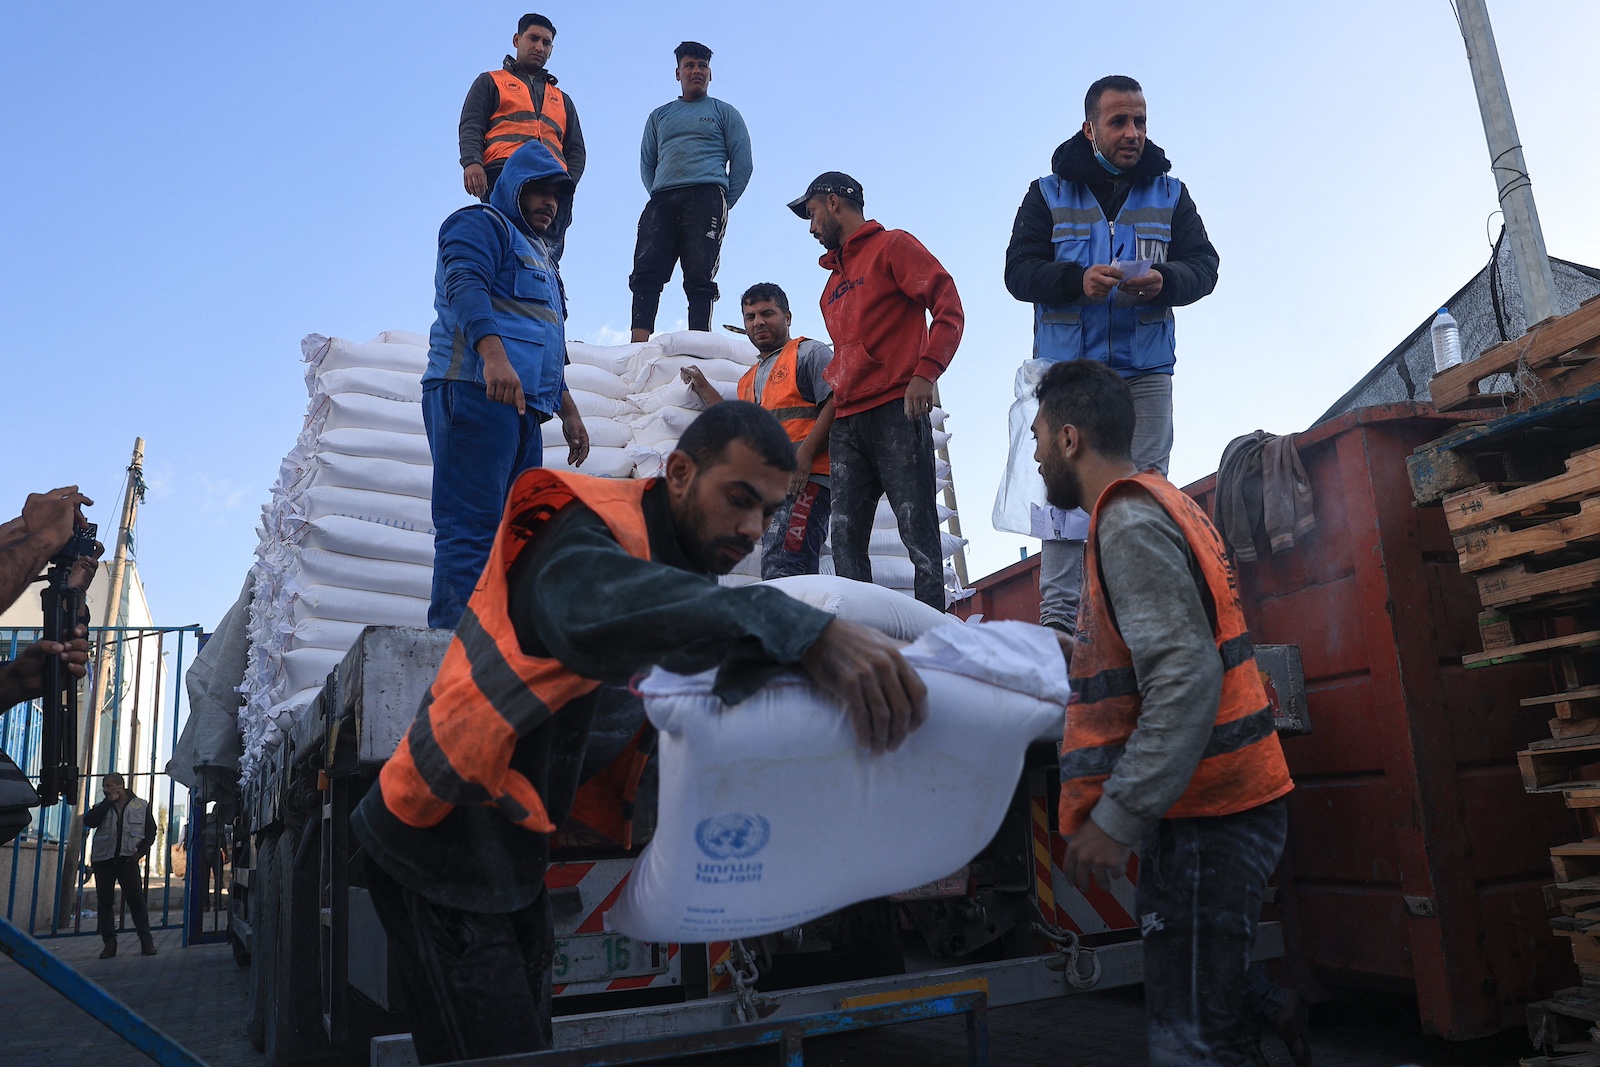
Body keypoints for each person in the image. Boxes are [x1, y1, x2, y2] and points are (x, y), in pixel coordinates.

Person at [352, 401, 927, 1063]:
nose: (752, 529)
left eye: (768, 512)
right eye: (738, 499)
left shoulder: (684, 571)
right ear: (679, 471)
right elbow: (589, 608)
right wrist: (796, 623)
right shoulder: (580, 522)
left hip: (509, 840)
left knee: (525, 1043)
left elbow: (703, 671)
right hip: (437, 832)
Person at [1033, 359, 1292, 1066]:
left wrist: (1118, 816)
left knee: (1194, 1042)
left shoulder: (1126, 522)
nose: (1031, 453)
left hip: (1213, 811)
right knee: (1211, 1007)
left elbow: (1183, 674)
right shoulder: (1160, 501)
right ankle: (1269, 1014)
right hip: (1217, 803)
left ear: (1068, 438)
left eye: (1035, 437)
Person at [1004, 74, 1219, 635]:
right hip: (1070, 377)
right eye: (1120, 121)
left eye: (1141, 121)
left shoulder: (1171, 194)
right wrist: (1077, 279)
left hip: (1145, 372)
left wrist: (1166, 279)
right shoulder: (1046, 193)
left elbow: (1205, 268)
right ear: (1090, 128)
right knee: (1063, 500)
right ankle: (1059, 633)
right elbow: (1018, 273)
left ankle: (1140, 619)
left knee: (1144, 491)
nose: (1133, 133)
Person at [423, 139, 590, 630]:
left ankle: (498, 646)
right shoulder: (479, 224)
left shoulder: (543, 258)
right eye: (540, 191)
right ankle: (455, 644)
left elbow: (544, 337)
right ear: (514, 187)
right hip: (472, 391)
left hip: (524, 409)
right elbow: (465, 286)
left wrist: (569, 409)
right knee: (470, 528)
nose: (550, 203)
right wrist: (492, 356)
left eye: (558, 195)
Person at [790, 172, 963, 609]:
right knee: (844, 538)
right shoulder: (829, 290)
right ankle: (863, 636)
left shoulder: (893, 247)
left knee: (917, 531)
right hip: (848, 420)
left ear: (834, 203)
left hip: (896, 410)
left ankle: (932, 637)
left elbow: (948, 307)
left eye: (812, 214)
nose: (811, 228)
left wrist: (926, 372)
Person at [680, 283, 835, 578]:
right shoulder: (748, 379)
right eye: (750, 317)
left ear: (787, 317)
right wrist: (702, 386)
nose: (758, 322)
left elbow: (835, 403)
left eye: (767, 313)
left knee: (786, 563)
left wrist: (805, 456)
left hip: (808, 479)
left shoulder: (808, 353)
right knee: (782, 564)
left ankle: (791, 623)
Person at [628, 41, 752, 341]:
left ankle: (699, 341)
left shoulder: (724, 112)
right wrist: (659, 194)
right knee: (646, 271)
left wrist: (722, 202)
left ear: (710, 74)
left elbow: (743, 164)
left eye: (702, 66)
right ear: (678, 73)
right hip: (662, 200)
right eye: (689, 66)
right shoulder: (659, 116)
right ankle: (637, 343)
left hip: (706, 196)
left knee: (699, 275)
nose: (696, 71)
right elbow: (648, 163)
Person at [457, 13, 585, 262]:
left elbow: (576, 149)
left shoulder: (561, 98)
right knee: (505, 246)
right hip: (503, 174)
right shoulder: (492, 81)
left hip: (551, 180)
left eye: (546, 43)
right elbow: (472, 123)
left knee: (545, 258)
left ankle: (542, 297)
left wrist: (567, 183)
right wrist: (472, 162)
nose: (539, 47)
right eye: (533, 38)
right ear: (517, 40)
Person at [83, 773, 158, 958]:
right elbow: (89, 821)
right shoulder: (102, 806)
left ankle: (146, 941)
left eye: (109, 786)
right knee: (105, 903)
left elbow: (151, 831)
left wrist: (140, 853)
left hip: (127, 861)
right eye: (104, 786)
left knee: (136, 902)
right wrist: (109, 802)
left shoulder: (140, 805)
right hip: (104, 861)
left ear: (120, 786)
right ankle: (109, 943)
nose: (106, 789)